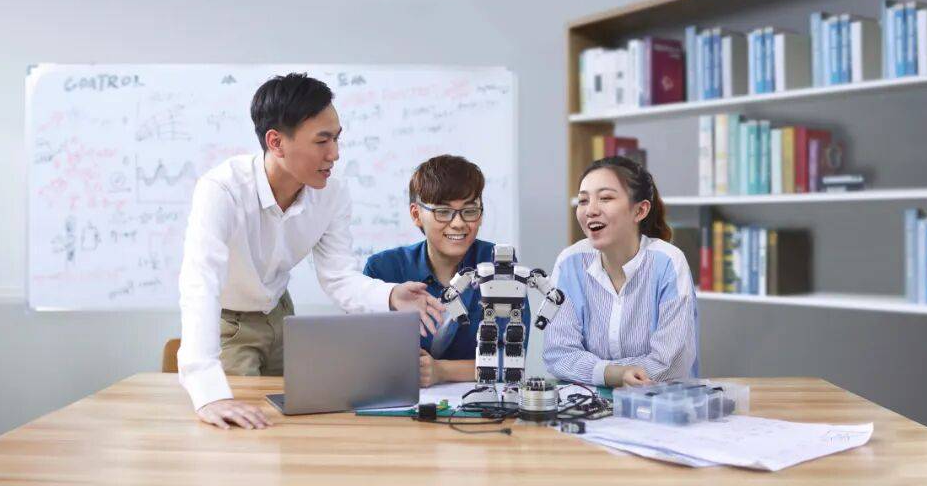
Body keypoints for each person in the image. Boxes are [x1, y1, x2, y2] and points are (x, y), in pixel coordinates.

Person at [178, 73, 444, 429]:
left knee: (300, 418)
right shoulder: (221, 190)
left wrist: (391, 296)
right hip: (229, 323)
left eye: (336, 138)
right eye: (322, 140)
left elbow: (337, 276)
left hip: (280, 314)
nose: (335, 154)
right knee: (237, 428)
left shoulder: (332, 193)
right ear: (276, 142)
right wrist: (208, 392)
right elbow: (200, 283)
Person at [363, 155, 529, 387]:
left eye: (469, 211)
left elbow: (511, 360)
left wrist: (441, 371)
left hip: (475, 401)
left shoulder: (497, 265)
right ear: (416, 214)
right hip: (399, 399)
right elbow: (365, 356)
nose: (458, 223)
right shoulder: (383, 269)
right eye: (443, 211)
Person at [543, 156, 698, 387]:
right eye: (583, 200)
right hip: (587, 402)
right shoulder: (569, 263)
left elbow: (671, 363)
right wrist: (614, 374)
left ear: (640, 210)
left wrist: (596, 370)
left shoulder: (669, 263)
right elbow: (558, 355)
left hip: (659, 400)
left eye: (605, 198)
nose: (590, 210)